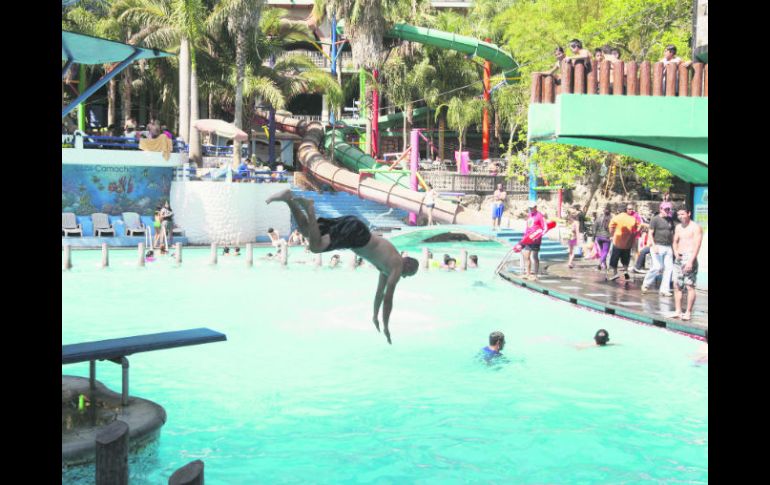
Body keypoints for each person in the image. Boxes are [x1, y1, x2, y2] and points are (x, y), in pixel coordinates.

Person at [266, 189, 419, 344]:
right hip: (357, 236)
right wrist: (386, 327)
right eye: (408, 274)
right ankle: (310, 209)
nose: (404, 276)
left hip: (355, 228)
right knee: (316, 247)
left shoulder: (387, 266)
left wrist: (374, 316)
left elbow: (380, 293)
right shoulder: (397, 266)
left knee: (307, 232)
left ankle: (288, 199)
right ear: (407, 265)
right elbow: (388, 299)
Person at [672, 206, 703, 321]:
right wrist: (675, 252)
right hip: (679, 257)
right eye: (679, 215)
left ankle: (688, 312)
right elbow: (675, 241)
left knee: (689, 285)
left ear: (689, 213)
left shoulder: (695, 227)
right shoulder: (678, 227)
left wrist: (691, 260)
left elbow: (697, 245)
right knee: (677, 285)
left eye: (683, 214)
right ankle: (678, 311)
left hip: (689, 256)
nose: (680, 217)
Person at [640, 202, 675, 296]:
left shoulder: (670, 220)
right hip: (657, 245)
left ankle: (664, 289)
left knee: (669, 268)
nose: (667, 211)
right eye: (665, 209)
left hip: (668, 246)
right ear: (661, 209)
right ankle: (646, 284)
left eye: (668, 209)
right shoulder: (655, 219)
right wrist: (653, 245)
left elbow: (672, 233)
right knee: (657, 267)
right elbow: (650, 233)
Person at [607, 203, 639, 281]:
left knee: (614, 258)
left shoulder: (616, 218)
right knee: (626, 258)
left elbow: (610, 227)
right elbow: (638, 227)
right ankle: (625, 272)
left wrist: (612, 235)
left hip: (617, 242)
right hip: (628, 243)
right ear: (625, 210)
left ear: (618, 210)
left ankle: (615, 273)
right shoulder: (632, 219)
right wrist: (633, 234)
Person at [522, 201, 546, 280]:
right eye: (530, 208)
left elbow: (544, 228)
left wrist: (537, 235)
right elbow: (527, 227)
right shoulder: (530, 215)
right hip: (528, 238)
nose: (531, 209)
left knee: (534, 256)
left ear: (536, 207)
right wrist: (524, 237)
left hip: (536, 239)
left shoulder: (539, 216)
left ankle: (535, 275)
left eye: (532, 208)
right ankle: (527, 273)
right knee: (526, 255)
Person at [593, 205, 612, 271]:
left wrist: (594, 237)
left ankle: (605, 265)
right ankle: (600, 263)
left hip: (599, 237)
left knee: (602, 251)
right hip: (606, 237)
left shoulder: (599, 218)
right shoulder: (611, 218)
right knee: (605, 252)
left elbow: (594, 227)